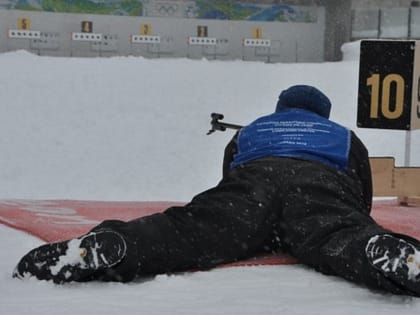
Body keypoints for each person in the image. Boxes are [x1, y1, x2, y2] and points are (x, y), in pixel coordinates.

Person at [14, 85, 420, 296]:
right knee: (342, 236)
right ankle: (381, 254)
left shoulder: (253, 129)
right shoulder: (341, 135)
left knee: (188, 230)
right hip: (318, 188)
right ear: (323, 116)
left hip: (252, 187)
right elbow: (359, 191)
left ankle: (118, 244)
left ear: (280, 109)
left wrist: (240, 210)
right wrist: (348, 218)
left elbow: (231, 174)